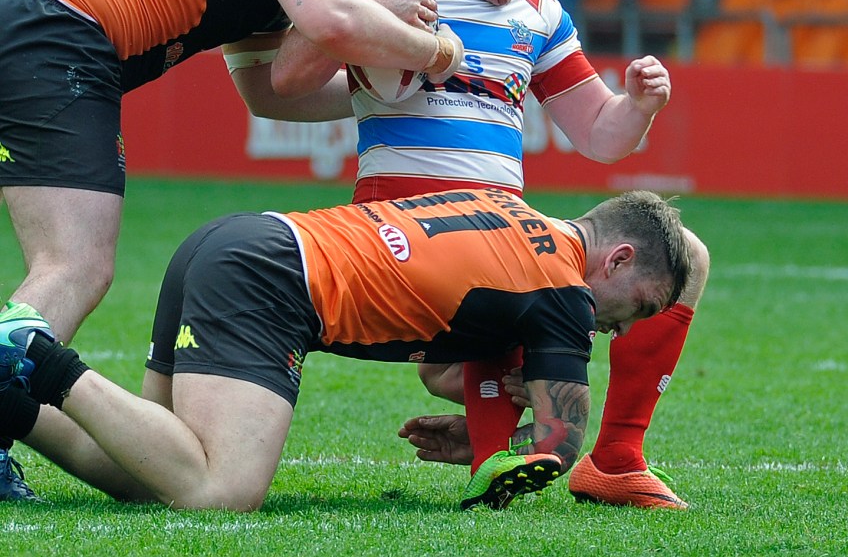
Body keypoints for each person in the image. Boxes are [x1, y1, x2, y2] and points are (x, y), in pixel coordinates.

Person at [270, 0, 711, 511]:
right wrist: (363, 21)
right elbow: (289, 78)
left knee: (687, 255)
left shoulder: (539, 13)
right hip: (402, 231)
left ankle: (614, 458)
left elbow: (600, 134)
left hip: (504, 236)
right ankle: (497, 448)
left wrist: (639, 107)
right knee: (506, 286)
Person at [0, 0, 462, 500]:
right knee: (73, 265)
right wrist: (436, 52)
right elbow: (330, 16)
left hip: (23, 0)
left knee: (65, 264)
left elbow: (270, 93)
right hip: (58, 31)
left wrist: (389, 92)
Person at [0, 188, 692, 511]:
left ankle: (11, 402)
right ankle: (36, 351)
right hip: (272, 280)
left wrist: (484, 432)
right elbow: (561, 444)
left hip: (240, 239)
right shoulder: (565, 290)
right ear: (618, 259)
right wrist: (524, 444)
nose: (623, 330)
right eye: (639, 307)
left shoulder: (511, 212)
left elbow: (439, 365)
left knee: (149, 471)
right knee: (221, 490)